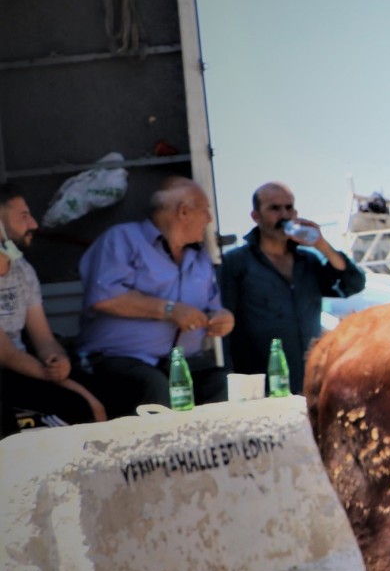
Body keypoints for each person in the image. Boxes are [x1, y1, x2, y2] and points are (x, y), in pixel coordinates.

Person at [76, 177, 232, 416]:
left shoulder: (200, 258)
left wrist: (222, 318)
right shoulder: (123, 239)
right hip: (117, 360)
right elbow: (104, 296)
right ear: (183, 212)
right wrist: (170, 310)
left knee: (225, 385)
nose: (209, 219)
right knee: (154, 390)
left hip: (181, 363)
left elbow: (214, 308)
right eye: (205, 211)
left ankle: (208, 454)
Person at [220, 182, 365, 394]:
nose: (284, 215)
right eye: (274, 208)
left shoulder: (307, 261)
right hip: (262, 386)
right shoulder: (236, 263)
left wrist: (321, 244)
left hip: (310, 382)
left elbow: (353, 283)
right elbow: (224, 327)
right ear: (256, 217)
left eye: (289, 208)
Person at [0, 185, 105, 433]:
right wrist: (70, 386)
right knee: (78, 406)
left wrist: (59, 362)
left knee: (110, 392)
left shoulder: (22, 270)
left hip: (23, 371)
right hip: (8, 372)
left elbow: (44, 338)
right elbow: (6, 355)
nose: (34, 224)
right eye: (23, 216)